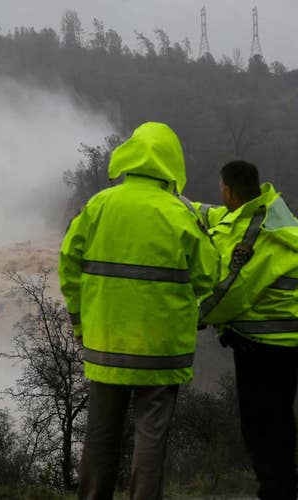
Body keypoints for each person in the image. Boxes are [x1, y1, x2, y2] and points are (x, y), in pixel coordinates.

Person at [59, 122, 219, 500]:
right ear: (171, 164)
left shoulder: (99, 204)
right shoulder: (179, 212)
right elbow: (207, 275)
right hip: (160, 348)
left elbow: (69, 264)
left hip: (107, 342)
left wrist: (79, 322)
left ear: (129, 157)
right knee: (151, 439)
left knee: (100, 436)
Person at [199, 160, 298, 500]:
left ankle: (277, 493)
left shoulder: (253, 237)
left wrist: (193, 317)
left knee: (263, 428)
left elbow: (227, 293)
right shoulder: (272, 211)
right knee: (281, 422)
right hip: (286, 340)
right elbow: (217, 216)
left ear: (227, 189)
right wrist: (180, 202)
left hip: (266, 346)